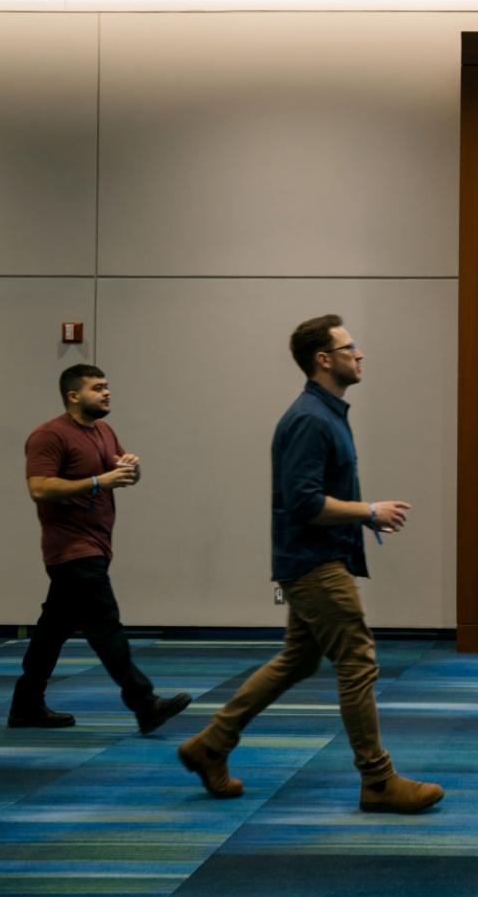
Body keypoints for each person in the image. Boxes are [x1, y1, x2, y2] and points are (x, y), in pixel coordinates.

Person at [178, 315, 443, 813]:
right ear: (324, 359)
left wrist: (362, 519)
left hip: (316, 556)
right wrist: (368, 511)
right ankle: (378, 780)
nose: (359, 354)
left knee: (297, 660)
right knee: (358, 659)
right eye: (350, 347)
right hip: (313, 561)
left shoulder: (327, 413)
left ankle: (210, 745)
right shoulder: (309, 419)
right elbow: (304, 502)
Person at [8, 363, 190, 734]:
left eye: (107, 387)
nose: (106, 393)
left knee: (51, 631)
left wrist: (128, 469)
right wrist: (97, 480)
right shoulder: (49, 435)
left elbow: (116, 475)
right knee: (106, 626)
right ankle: (144, 703)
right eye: (97, 388)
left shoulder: (103, 431)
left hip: (96, 544)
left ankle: (25, 705)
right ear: (74, 396)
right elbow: (39, 488)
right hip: (71, 549)